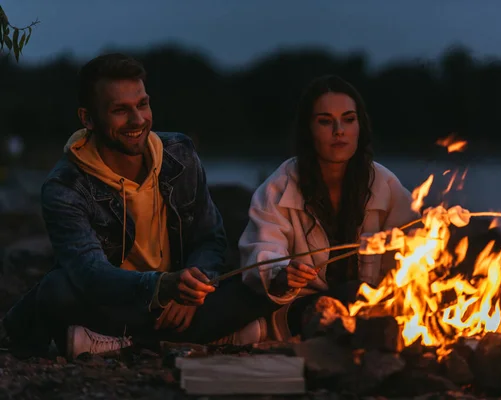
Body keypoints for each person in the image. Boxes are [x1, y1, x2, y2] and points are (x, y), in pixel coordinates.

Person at [0, 53, 277, 359]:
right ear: (87, 118)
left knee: (257, 281)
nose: (137, 120)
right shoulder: (65, 185)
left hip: (178, 300)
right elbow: (90, 274)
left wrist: (190, 288)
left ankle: (118, 343)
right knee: (57, 291)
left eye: (142, 104)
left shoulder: (180, 154)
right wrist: (161, 287)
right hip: (116, 300)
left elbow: (210, 238)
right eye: (120, 110)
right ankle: (190, 339)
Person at [239, 75, 420, 341]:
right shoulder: (278, 188)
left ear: (361, 126)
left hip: (373, 308)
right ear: (308, 129)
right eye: (325, 121)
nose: (339, 130)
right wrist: (282, 275)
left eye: (349, 119)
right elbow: (263, 252)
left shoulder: (385, 184)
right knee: (353, 294)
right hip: (302, 312)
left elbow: (417, 239)